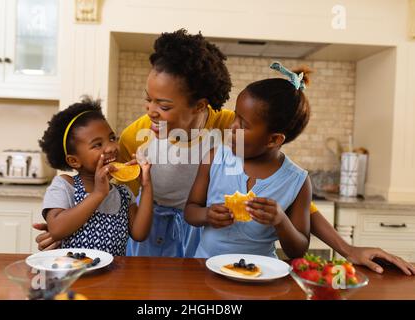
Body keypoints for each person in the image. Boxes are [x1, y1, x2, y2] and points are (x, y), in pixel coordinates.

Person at [33, 29, 414, 274]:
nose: (150, 113)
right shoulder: (138, 134)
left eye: (164, 106)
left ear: (200, 106)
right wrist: (64, 228)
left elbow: (296, 197)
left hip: (199, 238)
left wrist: (347, 249)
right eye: (148, 100)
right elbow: (101, 182)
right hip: (148, 235)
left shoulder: (229, 129)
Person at [185, 62, 312, 259]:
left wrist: (281, 221)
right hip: (205, 270)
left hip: (261, 275)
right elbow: (190, 211)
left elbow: (298, 250)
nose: (232, 126)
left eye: (243, 124)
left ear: (274, 139)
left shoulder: (298, 181)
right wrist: (207, 215)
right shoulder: (214, 158)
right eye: (235, 117)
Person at [38, 97, 153, 256]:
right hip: (73, 276)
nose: (111, 147)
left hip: (114, 278)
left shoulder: (123, 193)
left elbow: (140, 234)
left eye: (112, 138)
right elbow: (57, 229)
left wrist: (146, 185)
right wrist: (99, 193)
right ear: (74, 161)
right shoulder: (65, 185)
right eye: (97, 144)